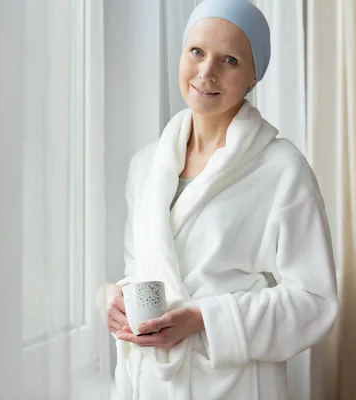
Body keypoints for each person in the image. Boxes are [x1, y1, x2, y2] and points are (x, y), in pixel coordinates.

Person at [104, 1, 339, 399]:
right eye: (196, 52)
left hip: (236, 385)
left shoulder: (282, 169)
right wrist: (115, 298)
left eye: (228, 60)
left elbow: (314, 302)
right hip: (151, 383)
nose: (206, 72)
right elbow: (143, 267)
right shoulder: (145, 166)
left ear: (253, 76)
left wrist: (203, 319)